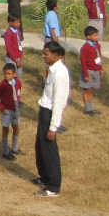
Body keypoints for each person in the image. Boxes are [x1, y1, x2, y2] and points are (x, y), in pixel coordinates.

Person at [35, 41, 69, 197]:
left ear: (55, 55)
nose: (43, 56)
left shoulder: (60, 74)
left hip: (50, 114)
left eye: (46, 53)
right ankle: (45, 177)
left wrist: (53, 126)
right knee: (41, 147)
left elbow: (59, 102)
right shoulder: (52, 70)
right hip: (44, 111)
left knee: (49, 150)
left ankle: (53, 186)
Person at [0, 63, 23, 160]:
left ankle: (14, 148)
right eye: (5, 74)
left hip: (15, 109)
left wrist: (18, 103)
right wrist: (1, 107)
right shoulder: (2, 85)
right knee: (5, 128)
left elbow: (18, 93)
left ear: (14, 74)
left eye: (9, 74)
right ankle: (6, 151)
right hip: (6, 110)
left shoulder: (18, 83)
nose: (6, 76)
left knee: (16, 127)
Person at [79, 25, 103, 116]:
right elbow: (83, 62)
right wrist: (85, 74)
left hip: (95, 70)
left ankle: (91, 108)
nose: (97, 37)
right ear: (88, 37)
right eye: (94, 35)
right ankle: (87, 109)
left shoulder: (97, 45)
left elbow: (99, 57)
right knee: (86, 89)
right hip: (88, 71)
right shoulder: (85, 48)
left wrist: (100, 68)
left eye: (97, 35)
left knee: (91, 90)